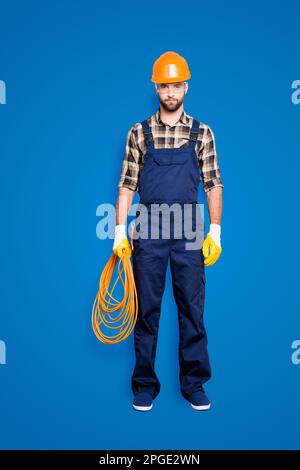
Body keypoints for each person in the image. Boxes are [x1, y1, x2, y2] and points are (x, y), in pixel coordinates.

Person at [113, 51, 223, 411]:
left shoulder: (202, 132)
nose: (171, 91)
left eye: (177, 85)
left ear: (185, 87)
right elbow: (127, 185)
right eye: (164, 85)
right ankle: (145, 385)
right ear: (156, 88)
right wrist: (118, 231)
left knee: (192, 309)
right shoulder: (138, 133)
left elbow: (213, 184)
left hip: (190, 228)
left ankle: (194, 383)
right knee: (147, 309)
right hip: (148, 228)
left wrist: (216, 231)